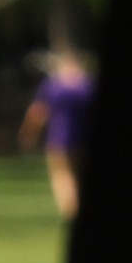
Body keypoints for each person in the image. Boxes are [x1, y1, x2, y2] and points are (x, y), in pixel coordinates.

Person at [19, 49, 94, 219]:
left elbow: (38, 113)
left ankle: (71, 211)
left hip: (59, 140)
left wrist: (28, 135)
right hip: (84, 139)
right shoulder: (89, 86)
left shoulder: (53, 86)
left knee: (62, 176)